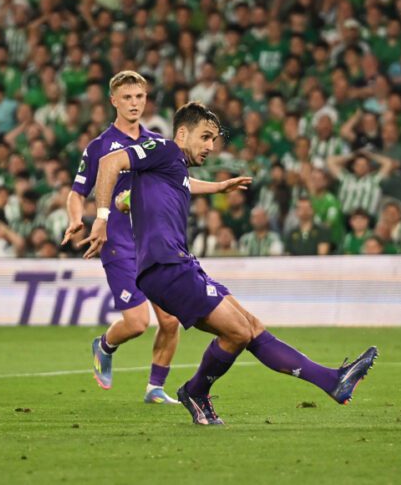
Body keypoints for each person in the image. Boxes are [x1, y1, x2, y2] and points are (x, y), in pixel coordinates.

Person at [80, 101, 377, 425]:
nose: (210, 146)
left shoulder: (172, 168)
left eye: (214, 140)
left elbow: (149, 191)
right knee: (237, 332)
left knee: (250, 327)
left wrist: (217, 186)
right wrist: (102, 218)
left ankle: (333, 381)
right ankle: (195, 391)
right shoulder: (164, 148)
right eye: (205, 137)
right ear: (182, 132)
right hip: (166, 267)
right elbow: (110, 162)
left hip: (181, 264)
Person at [61, 71, 250, 404]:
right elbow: (77, 192)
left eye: (140, 97)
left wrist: (218, 186)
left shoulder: (155, 142)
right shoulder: (100, 147)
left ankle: (155, 388)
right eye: (127, 98)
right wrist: (78, 218)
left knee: (171, 319)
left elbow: (182, 183)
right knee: (137, 323)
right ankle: (104, 345)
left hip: (150, 243)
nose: (134, 104)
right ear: (114, 101)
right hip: (117, 240)